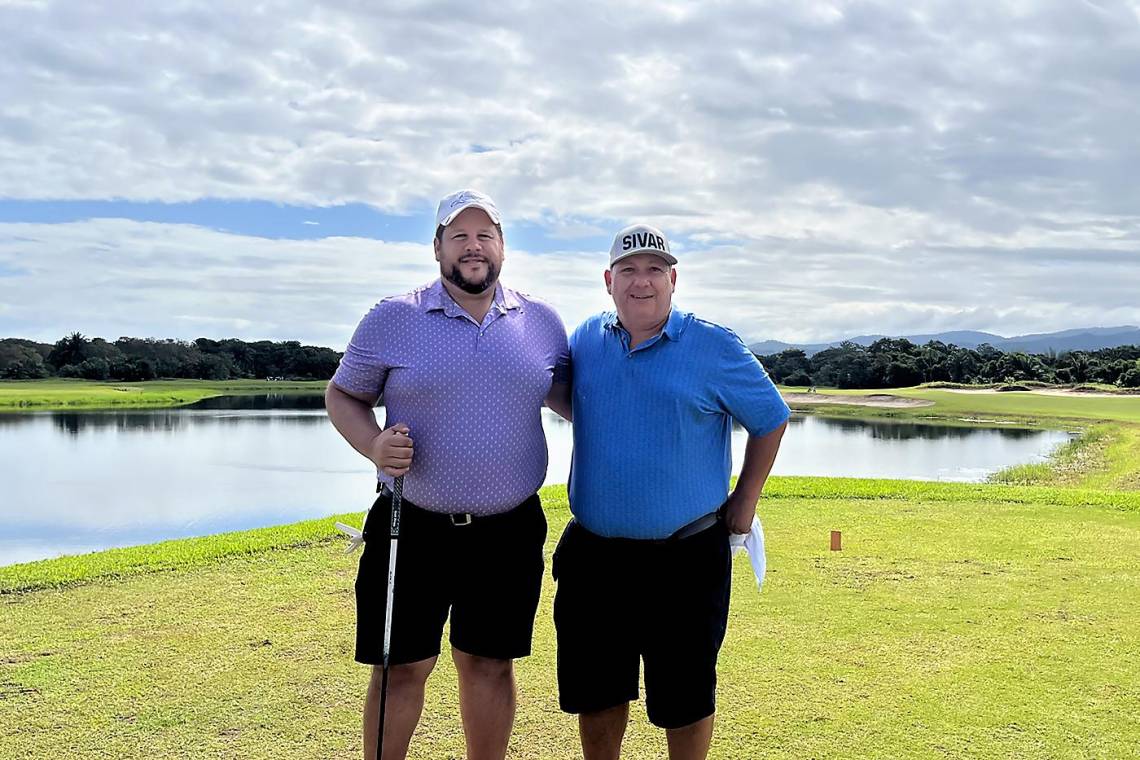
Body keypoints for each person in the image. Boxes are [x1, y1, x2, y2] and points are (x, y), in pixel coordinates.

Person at [325, 189, 571, 760]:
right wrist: (373, 444)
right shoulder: (394, 317)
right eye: (458, 235)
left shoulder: (541, 322)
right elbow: (343, 395)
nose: (473, 246)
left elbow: (572, 398)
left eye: (485, 234)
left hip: (508, 529)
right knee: (400, 667)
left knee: (488, 663)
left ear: (503, 247)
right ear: (437, 246)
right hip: (411, 524)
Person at [553, 223, 789, 760]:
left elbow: (771, 420)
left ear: (673, 279)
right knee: (597, 694)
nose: (643, 282)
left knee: (685, 699)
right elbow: (566, 397)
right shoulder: (586, 339)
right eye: (630, 271)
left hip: (686, 556)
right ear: (608, 280)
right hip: (594, 555)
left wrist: (744, 505)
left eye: (655, 270)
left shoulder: (713, 345)